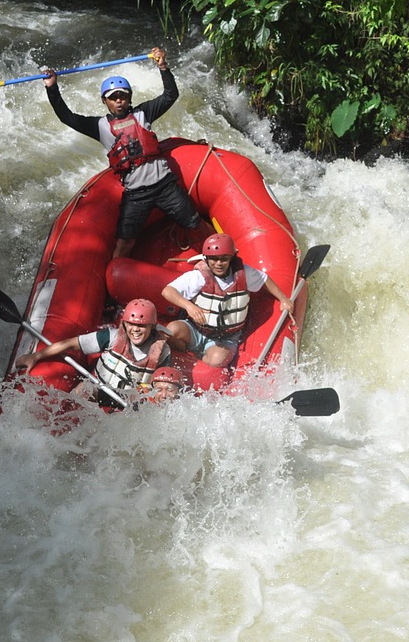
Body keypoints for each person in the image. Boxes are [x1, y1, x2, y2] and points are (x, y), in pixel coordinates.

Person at [43, 47, 210, 258]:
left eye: (123, 96)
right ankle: (117, 278)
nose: (119, 100)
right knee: (124, 244)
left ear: (129, 98)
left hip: (165, 186)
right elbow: (67, 117)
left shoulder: (144, 112)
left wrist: (162, 67)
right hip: (136, 194)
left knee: (196, 225)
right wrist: (52, 87)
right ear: (105, 101)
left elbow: (170, 95)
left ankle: (223, 255)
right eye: (113, 97)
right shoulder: (99, 126)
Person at [161, 233, 294, 368]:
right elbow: (168, 291)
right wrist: (189, 306)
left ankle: (204, 368)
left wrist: (283, 299)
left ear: (232, 257)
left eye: (224, 259)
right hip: (196, 329)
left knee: (216, 360)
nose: (219, 263)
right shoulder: (198, 276)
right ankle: (185, 354)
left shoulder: (244, 273)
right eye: (214, 259)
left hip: (226, 337)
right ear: (206, 258)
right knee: (172, 329)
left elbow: (265, 280)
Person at [15, 298, 173, 408]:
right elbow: (70, 344)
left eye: (142, 326)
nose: (135, 330)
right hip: (97, 388)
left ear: (152, 326)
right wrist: (36, 356)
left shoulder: (162, 351)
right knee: (85, 389)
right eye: (131, 324)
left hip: (128, 400)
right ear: (124, 324)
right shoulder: (112, 336)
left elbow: (159, 384)